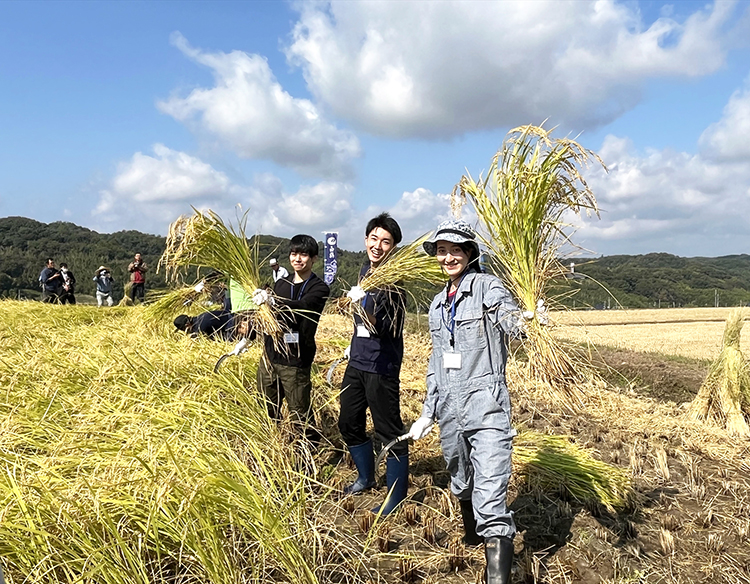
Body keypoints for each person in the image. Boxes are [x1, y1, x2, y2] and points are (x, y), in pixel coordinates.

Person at [407, 219, 528, 584]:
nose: (448, 257)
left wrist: (526, 320)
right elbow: (436, 359)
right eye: (442, 251)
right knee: (460, 477)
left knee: (490, 497)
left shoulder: (487, 287)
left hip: (486, 404)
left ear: (470, 253)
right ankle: (473, 533)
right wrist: (428, 410)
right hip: (449, 408)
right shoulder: (436, 304)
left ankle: (496, 570)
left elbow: (509, 320)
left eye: (455, 249)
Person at [338, 212, 408, 516]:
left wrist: (361, 309)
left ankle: (395, 496)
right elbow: (359, 324)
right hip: (358, 361)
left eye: (386, 242)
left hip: (382, 366)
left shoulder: (395, 283)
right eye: (374, 238)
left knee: (389, 432)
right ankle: (366, 477)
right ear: (366, 239)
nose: (378, 246)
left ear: (393, 248)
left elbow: (388, 328)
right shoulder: (365, 271)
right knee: (348, 421)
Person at [254, 235, 329, 442]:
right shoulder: (281, 285)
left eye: (304, 254)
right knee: (266, 407)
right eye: (294, 254)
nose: (298, 259)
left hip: (295, 360)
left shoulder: (319, 288)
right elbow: (268, 319)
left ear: (314, 258)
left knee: (299, 412)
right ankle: (273, 446)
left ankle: (308, 450)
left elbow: (305, 306)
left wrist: (274, 302)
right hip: (270, 356)